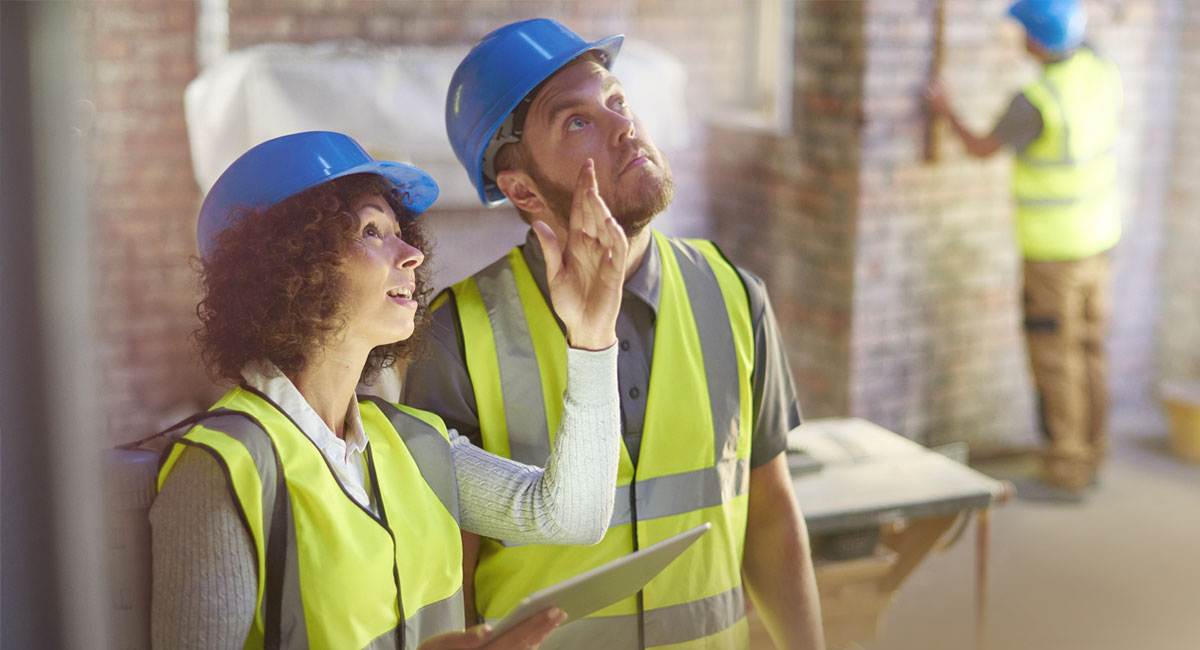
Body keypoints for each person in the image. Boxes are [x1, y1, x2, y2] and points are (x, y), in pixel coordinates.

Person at [402, 19, 825, 649]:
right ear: (520, 190)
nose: (624, 127)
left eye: (618, 100)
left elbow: (769, 513)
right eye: (577, 121)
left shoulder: (735, 294)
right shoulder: (456, 335)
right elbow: (448, 570)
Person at [150, 130, 630, 649]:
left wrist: (591, 337)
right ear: (292, 265)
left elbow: (571, 516)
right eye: (373, 232)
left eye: (402, 234)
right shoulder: (224, 468)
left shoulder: (412, 442)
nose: (412, 256)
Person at [925, 0, 1122, 493]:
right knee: (1088, 349)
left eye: (1022, 33)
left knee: (1055, 358)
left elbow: (980, 148)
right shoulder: (1098, 69)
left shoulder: (1036, 101)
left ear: (1037, 40)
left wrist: (945, 112)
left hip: (1054, 252)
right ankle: (1093, 452)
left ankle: (1066, 469)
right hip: (1099, 240)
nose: (1017, 42)